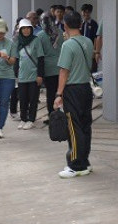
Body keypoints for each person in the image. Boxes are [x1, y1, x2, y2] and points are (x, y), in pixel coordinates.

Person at [54, 10, 94, 178]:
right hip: (86, 88)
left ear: (65, 25)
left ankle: (75, 165)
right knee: (85, 125)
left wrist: (58, 94)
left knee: (73, 127)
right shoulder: (88, 41)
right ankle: (84, 162)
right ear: (81, 24)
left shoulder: (67, 45)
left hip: (72, 89)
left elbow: (64, 71)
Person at [14, 18, 45, 129]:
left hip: (34, 75)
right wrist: (15, 75)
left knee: (33, 98)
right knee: (22, 99)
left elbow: (41, 58)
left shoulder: (36, 40)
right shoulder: (18, 42)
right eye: (24, 29)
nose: (26, 31)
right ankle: (23, 119)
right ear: (20, 30)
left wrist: (40, 75)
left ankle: (31, 119)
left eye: (28, 28)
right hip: (22, 76)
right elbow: (16, 60)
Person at [37, 12, 64, 125]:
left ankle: (52, 116)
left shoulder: (40, 35)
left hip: (48, 68)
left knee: (51, 94)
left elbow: (39, 54)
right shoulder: (61, 32)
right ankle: (63, 115)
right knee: (61, 92)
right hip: (61, 66)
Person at [80, 3, 100, 71]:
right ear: (81, 12)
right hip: (81, 51)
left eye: (88, 12)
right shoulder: (80, 23)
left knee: (92, 71)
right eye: (84, 12)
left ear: (90, 12)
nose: (86, 14)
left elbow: (96, 38)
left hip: (91, 51)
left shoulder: (94, 24)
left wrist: (95, 52)